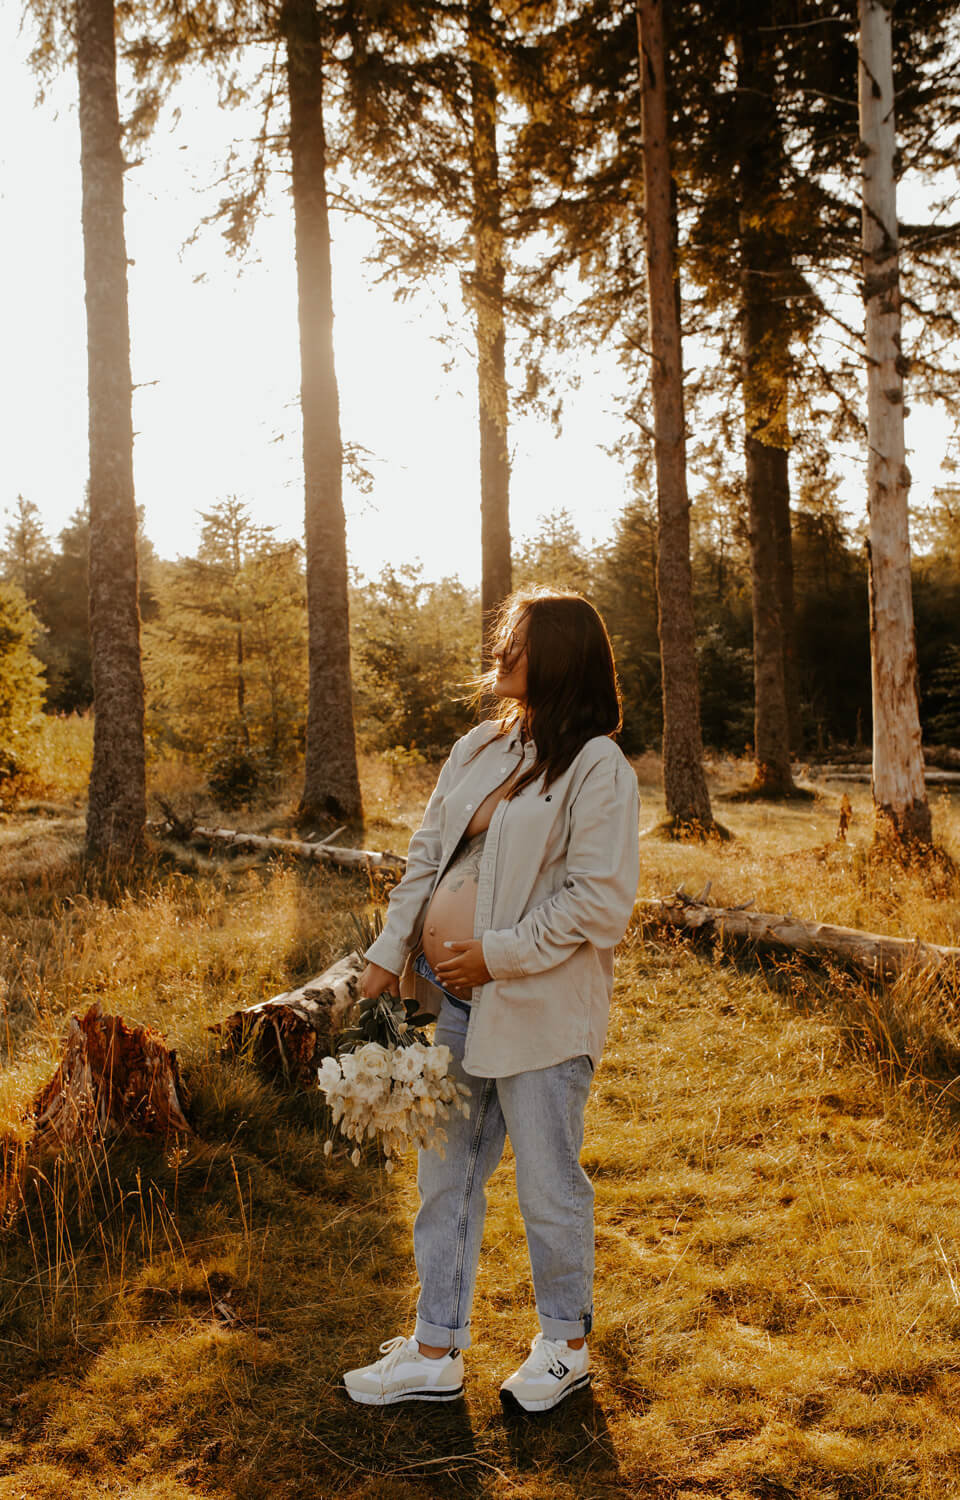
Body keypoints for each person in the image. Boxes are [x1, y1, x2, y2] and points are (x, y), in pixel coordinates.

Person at [342, 588, 640, 1413]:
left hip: (540, 1007)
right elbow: (426, 855)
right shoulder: (479, 745)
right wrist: (388, 953)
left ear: (560, 654)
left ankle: (564, 1345)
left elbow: (599, 901)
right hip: (448, 999)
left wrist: (495, 957)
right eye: (505, 635)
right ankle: (434, 1348)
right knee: (445, 1178)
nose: (502, 650)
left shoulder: (596, 766)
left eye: (519, 638)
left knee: (548, 1183)